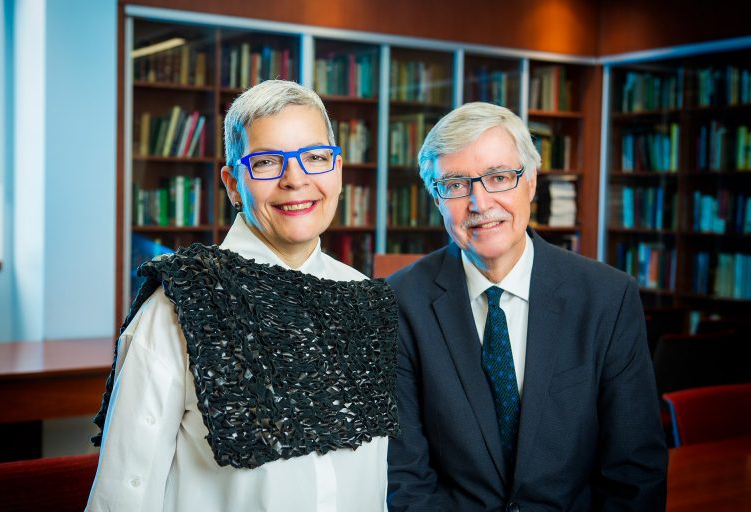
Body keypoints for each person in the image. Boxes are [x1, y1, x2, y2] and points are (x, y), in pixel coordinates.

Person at [87, 80, 399, 511]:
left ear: (338, 170)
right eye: (268, 162)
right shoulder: (180, 304)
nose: (296, 179)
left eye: (315, 157)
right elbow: (127, 491)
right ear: (233, 184)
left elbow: (373, 478)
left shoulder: (366, 300)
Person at [386, 102, 668, 511]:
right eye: (455, 184)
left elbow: (634, 471)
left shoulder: (607, 297)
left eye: (499, 177)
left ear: (531, 183)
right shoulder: (398, 303)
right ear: (436, 198)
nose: (479, 203)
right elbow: (404, 478)